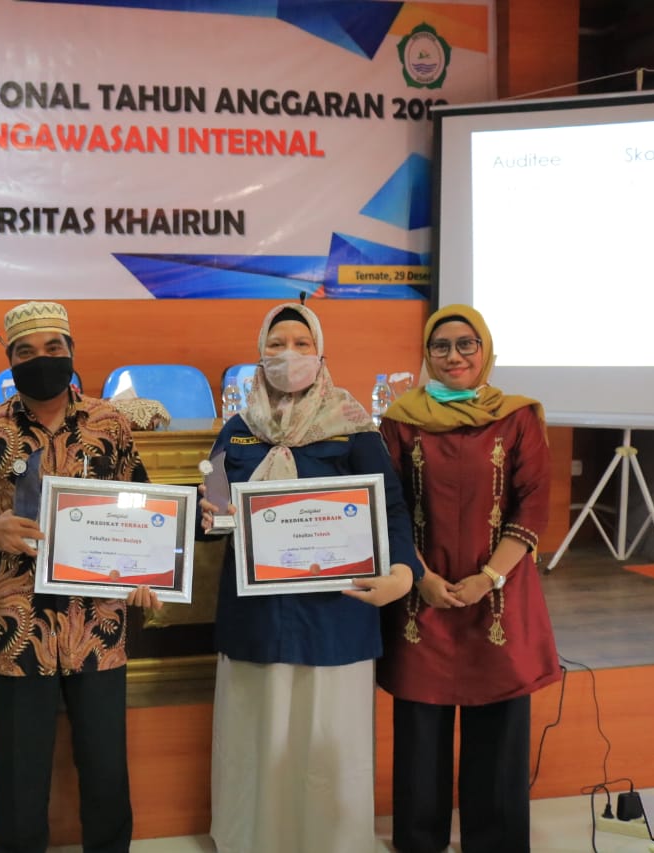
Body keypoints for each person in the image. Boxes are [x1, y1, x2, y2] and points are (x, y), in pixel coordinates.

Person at [0, 301, 160, 853]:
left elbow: (141, 507)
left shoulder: (110, 424)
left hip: (98, 624)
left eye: (53, 347)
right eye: (26, 352)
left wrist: (147, 573)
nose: (42, 358)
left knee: (106, 769)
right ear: (10, 361)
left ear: (72, 352)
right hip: (17, 626)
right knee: (18, 776)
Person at [201, 302, 420, 853]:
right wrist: (207, 514)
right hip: (257, 614)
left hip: (334, 612)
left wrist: (403, 571)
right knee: (257, 736)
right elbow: (215, 507)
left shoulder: (352, 427)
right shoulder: (238, 429)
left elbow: (391, 508)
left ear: (321, 353)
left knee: (327, 737)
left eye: (302, 343)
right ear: (260, 353)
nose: (289, 354)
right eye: (276, 344)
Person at [376, 304, 559, 853]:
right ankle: (419, 840)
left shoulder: (518, 417)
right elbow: (389, 506)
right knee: (420, 729)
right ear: (426, 355)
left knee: (499, 725)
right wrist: (421, 577)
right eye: (441, 346)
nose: (453, 356)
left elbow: (534, 503)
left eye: (465, 344)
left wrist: (488, 577)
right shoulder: (401, 419)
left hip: (499, 593)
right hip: (422, 596)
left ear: (485, 350)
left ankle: (494, 840)